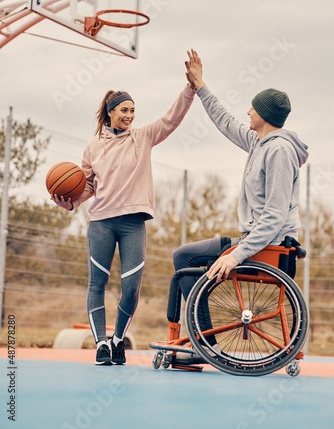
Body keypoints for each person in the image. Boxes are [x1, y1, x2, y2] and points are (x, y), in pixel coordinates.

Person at [174, 49, 309, 352]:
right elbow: (225, 122)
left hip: (270, 249)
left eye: (253, 107)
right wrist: (200, 85)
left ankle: (205, 344)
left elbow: (273, 216)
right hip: (260, 244)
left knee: (184, 258)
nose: (247, 111)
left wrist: (235, 255)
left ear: (265, 115)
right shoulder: (258, 142)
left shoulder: (279, 152)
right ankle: (205, 340)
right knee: (185, 258)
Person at [52, 82, 196, 365]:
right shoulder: (93, 147)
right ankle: (101, 345)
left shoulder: (142, 137)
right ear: (110, 113)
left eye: (132, 110)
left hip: (133, 224)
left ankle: (118, 339)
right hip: (101, 223)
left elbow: (171, 118)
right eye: (124, 110)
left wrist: (190, 89)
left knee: (131, 287)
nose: (129, 115)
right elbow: (86, 186)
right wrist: (70, 203)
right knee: (98, 284)